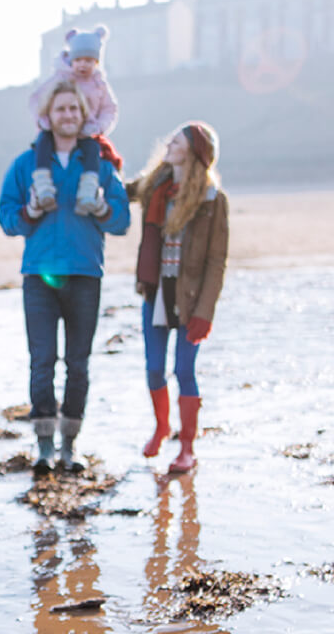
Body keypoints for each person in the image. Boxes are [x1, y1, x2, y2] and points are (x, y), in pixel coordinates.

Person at [0, 80, 131, 475]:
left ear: (84, 115)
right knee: (42, 362)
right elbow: (7, 218)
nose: (68, 115)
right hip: (39, 277)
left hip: (86, 274)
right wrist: (31, 212)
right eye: (61, 109)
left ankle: (70, 447)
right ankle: (43, 446)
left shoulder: (102, 166)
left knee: (78, 364)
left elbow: (123, 220)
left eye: (74, 109)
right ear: (48, 116)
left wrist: (103, 207)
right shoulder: (25, 165)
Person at [127, 121, 228, 473]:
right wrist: (100, 154)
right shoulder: (155, 187)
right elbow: (120, 191)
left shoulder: (212, 200)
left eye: (179, 139)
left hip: (191, 298)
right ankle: (161, 427)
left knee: (184, 369)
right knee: (154, 369)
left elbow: (217, 260)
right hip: (156, 290)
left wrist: (206, 312)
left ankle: (187, 448)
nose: (170, 142)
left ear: (196, 151)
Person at [25, 25, 122, 214]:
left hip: (87, 132)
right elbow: (37, 99)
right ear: (70, 59)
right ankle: (43, 184)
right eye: (78, 60)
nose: (83, 65)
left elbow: (110, 109)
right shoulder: (60, 78)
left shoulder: (99, 84)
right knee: (43, 144)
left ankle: (88, 190)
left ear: (96, 62)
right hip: (54, 132)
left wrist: (99, 127)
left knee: (93, 150)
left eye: (89, 61)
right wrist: (44, 121)